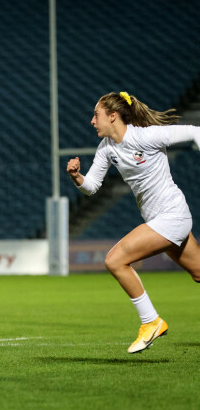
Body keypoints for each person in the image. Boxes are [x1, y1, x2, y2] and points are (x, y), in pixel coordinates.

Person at [66, 91, 200, 354]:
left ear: (113, 116)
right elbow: (92, 187)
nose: (92, 121)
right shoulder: (106, 149)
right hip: (159, 220)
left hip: (172, 215)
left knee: (115, 260)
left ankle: (151, 322)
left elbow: (196, 131)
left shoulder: (146, 136)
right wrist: (77, 177)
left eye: (96, 115)